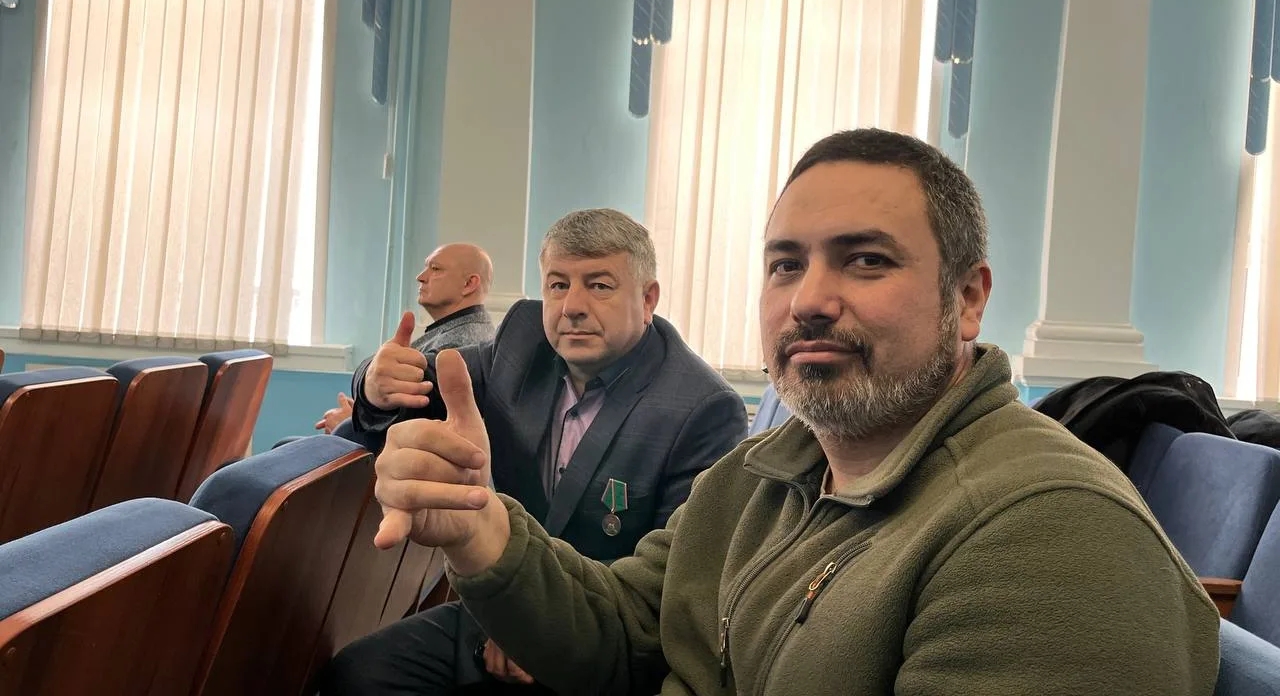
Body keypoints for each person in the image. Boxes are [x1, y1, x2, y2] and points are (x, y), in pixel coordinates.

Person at [361, 129, 1221, 695]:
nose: (809, 299)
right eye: (785, 265)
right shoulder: (763, 474)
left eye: (866, 260)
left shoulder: (1049, 532)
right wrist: (480, 528)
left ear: (966, 299)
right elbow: (624, 630)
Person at [324, 209, 748, 692]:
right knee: (357, 673)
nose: (572, 306)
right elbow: (425, 377)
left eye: (599, 285)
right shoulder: (522, 340)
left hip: (609, 636)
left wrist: (537, 623)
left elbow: (671, 584)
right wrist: (377, 383)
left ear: (648, 298)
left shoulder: (703, 408)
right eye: (558, 285)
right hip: (498, 604)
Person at [315, 243, 497, 435]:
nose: (421, 277)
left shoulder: (460, 345)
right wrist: (366, 406)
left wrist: (350, 423)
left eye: (435, 269)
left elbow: (417, 429)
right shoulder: (454, 332)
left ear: (469, 284)